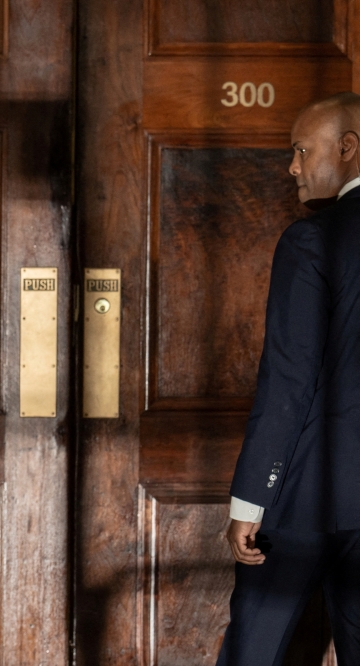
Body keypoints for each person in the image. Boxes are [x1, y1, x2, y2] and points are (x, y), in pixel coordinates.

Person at [218, 92, 360, 665]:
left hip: (306, 492)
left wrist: (249, 502)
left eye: (302, 150)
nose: (293, 167)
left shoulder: (311, 241)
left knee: (254, 650)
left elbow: (287, 379)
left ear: (349, 149)